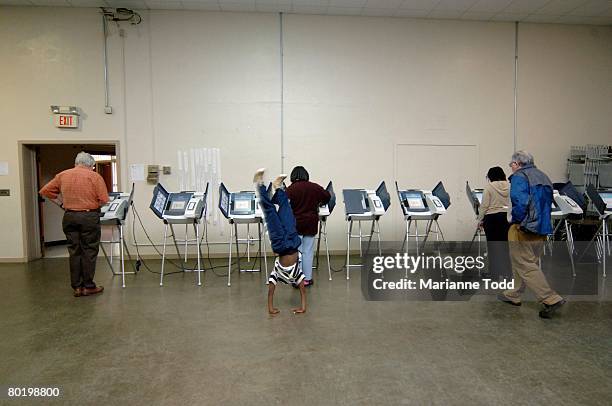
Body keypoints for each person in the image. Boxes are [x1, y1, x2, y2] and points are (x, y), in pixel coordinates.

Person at [497, 151, 566, 319]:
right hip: (541, 229)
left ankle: (550, 299)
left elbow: (520, 202)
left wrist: (519, 222)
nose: (511, 167)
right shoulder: (543, 176)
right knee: (525, 263)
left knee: (526, 265)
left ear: (517, 164)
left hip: (524, 229)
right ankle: (514, 294)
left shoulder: (520, 177)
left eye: (511, 164)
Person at [39, 152, 109, 297]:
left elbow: (45, 191)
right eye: (93, 167)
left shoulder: (62, 175)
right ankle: (88, 286)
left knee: (74, 251)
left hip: (70, 216)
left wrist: (62, 204)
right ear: (90, 165)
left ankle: (77, 287)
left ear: (77, 163)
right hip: (89, 216)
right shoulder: (94, 176)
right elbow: (104, 199)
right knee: (89, 251)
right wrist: (94, 206)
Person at [253, 168, 307, 315]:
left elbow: (271, 293)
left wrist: (271, 309)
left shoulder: (276, 273)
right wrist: (303, 307)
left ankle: (259, 183)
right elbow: (303, 290)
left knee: (269, 211)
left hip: (280, 245)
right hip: (292, 241)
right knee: (286, 210)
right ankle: (278, 188)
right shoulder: (297, 274)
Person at [286, 166, 331, 287]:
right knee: (308, 252)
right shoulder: (314, 187)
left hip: (296, 224)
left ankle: (297, 280)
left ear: (293, 176)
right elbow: (327, 196)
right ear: (306, 175)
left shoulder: (290, 189)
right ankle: (307, 279)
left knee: (297, 252)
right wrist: (319, 202)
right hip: (311, 223)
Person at [478, 166, 511, 281]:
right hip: (506, 218)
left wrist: (480, 220)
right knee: (506, 246)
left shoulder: (489, 187)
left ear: (490, 177)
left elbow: (484, 206)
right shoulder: (510, 186)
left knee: (493, 247)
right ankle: (508, 274)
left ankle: (495, 274)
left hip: (491, 218)